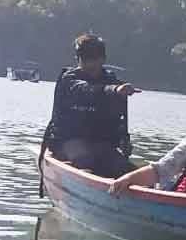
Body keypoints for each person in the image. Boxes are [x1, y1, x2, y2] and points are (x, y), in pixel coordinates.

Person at [43, 34, 139, 178]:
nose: (90, 65)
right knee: (85, 160)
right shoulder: (69, 80)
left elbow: (119, 121)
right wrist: (113, 90)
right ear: (78, 59)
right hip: (68, 142)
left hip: (101, 145)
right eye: (86, 60)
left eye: (95, 59)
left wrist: (123, 140)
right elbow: (85, 89)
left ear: (103, 59)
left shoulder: (113, 81)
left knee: (129, 171)